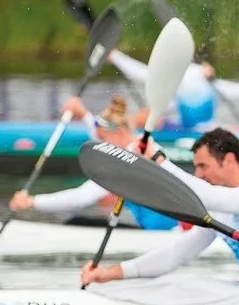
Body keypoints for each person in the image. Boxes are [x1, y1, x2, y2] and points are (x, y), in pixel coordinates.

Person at [80, 128, 239, 288]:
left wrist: (158, 159)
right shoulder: (216, 212)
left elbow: (205, 195)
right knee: (171, 286)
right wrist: (110, 274)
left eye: (203, 166)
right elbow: (176, 254)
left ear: (227, 160)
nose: (199, 174)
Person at [9, 94, 177, 230]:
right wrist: (83, 114)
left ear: (118, 133)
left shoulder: (127, 162)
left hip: (159, 234)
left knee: (76, 223)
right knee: (80, 222)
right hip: (161, 228)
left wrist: (32, 202)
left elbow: (81, 198)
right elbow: (99, 134)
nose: (100, 145)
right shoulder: (144, 142)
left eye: (103, 140)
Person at [108, 49, 216, 130]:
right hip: (202, 125)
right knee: (146, 114)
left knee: (140, 117)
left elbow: (139, 73)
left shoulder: (181, 74)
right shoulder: (196, 71)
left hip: (189, 129)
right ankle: (115, 125)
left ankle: (113, 128)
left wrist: (115, 57)